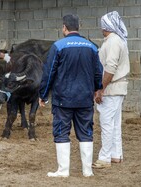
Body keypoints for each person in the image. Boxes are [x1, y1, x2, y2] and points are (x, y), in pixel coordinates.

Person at [39, 14, 103, 177]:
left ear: (64, 28)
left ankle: (63, 170)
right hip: (85, 100)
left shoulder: (58, 46)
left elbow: (49, 73)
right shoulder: (92, 47)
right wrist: (98, 88)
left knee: (61, 132)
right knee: (86, 132)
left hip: (63, 100)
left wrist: (43, 95)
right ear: (78, 27)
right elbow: (98, 72)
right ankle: (87, 171)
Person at [93, 11, 130, 168]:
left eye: (103, 24)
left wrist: (101, 89)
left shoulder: (113, 42)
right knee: (114, 123)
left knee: (107, 122)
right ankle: (116, 154)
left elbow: (110, 68)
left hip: (112, 88)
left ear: (106, 26)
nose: (101, 27)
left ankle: (105, 158)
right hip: (116, 88)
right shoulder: (114, 40)